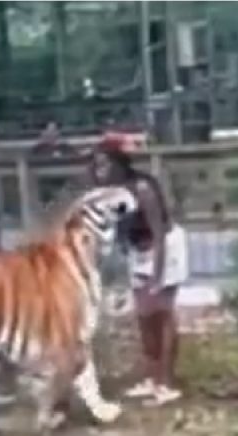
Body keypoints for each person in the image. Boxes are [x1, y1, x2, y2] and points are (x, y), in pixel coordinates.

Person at [90, 132, 188, 406]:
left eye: (104, 165)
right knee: (144, 317)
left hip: (164, 249)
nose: (99, 171)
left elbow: (158, 233)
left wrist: (157, 276)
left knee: (161, 314)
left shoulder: (142, 188)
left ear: (119, 165)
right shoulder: (111, 194)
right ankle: (151, 377)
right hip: (139, 252)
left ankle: (166, 383)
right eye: (97, 165)